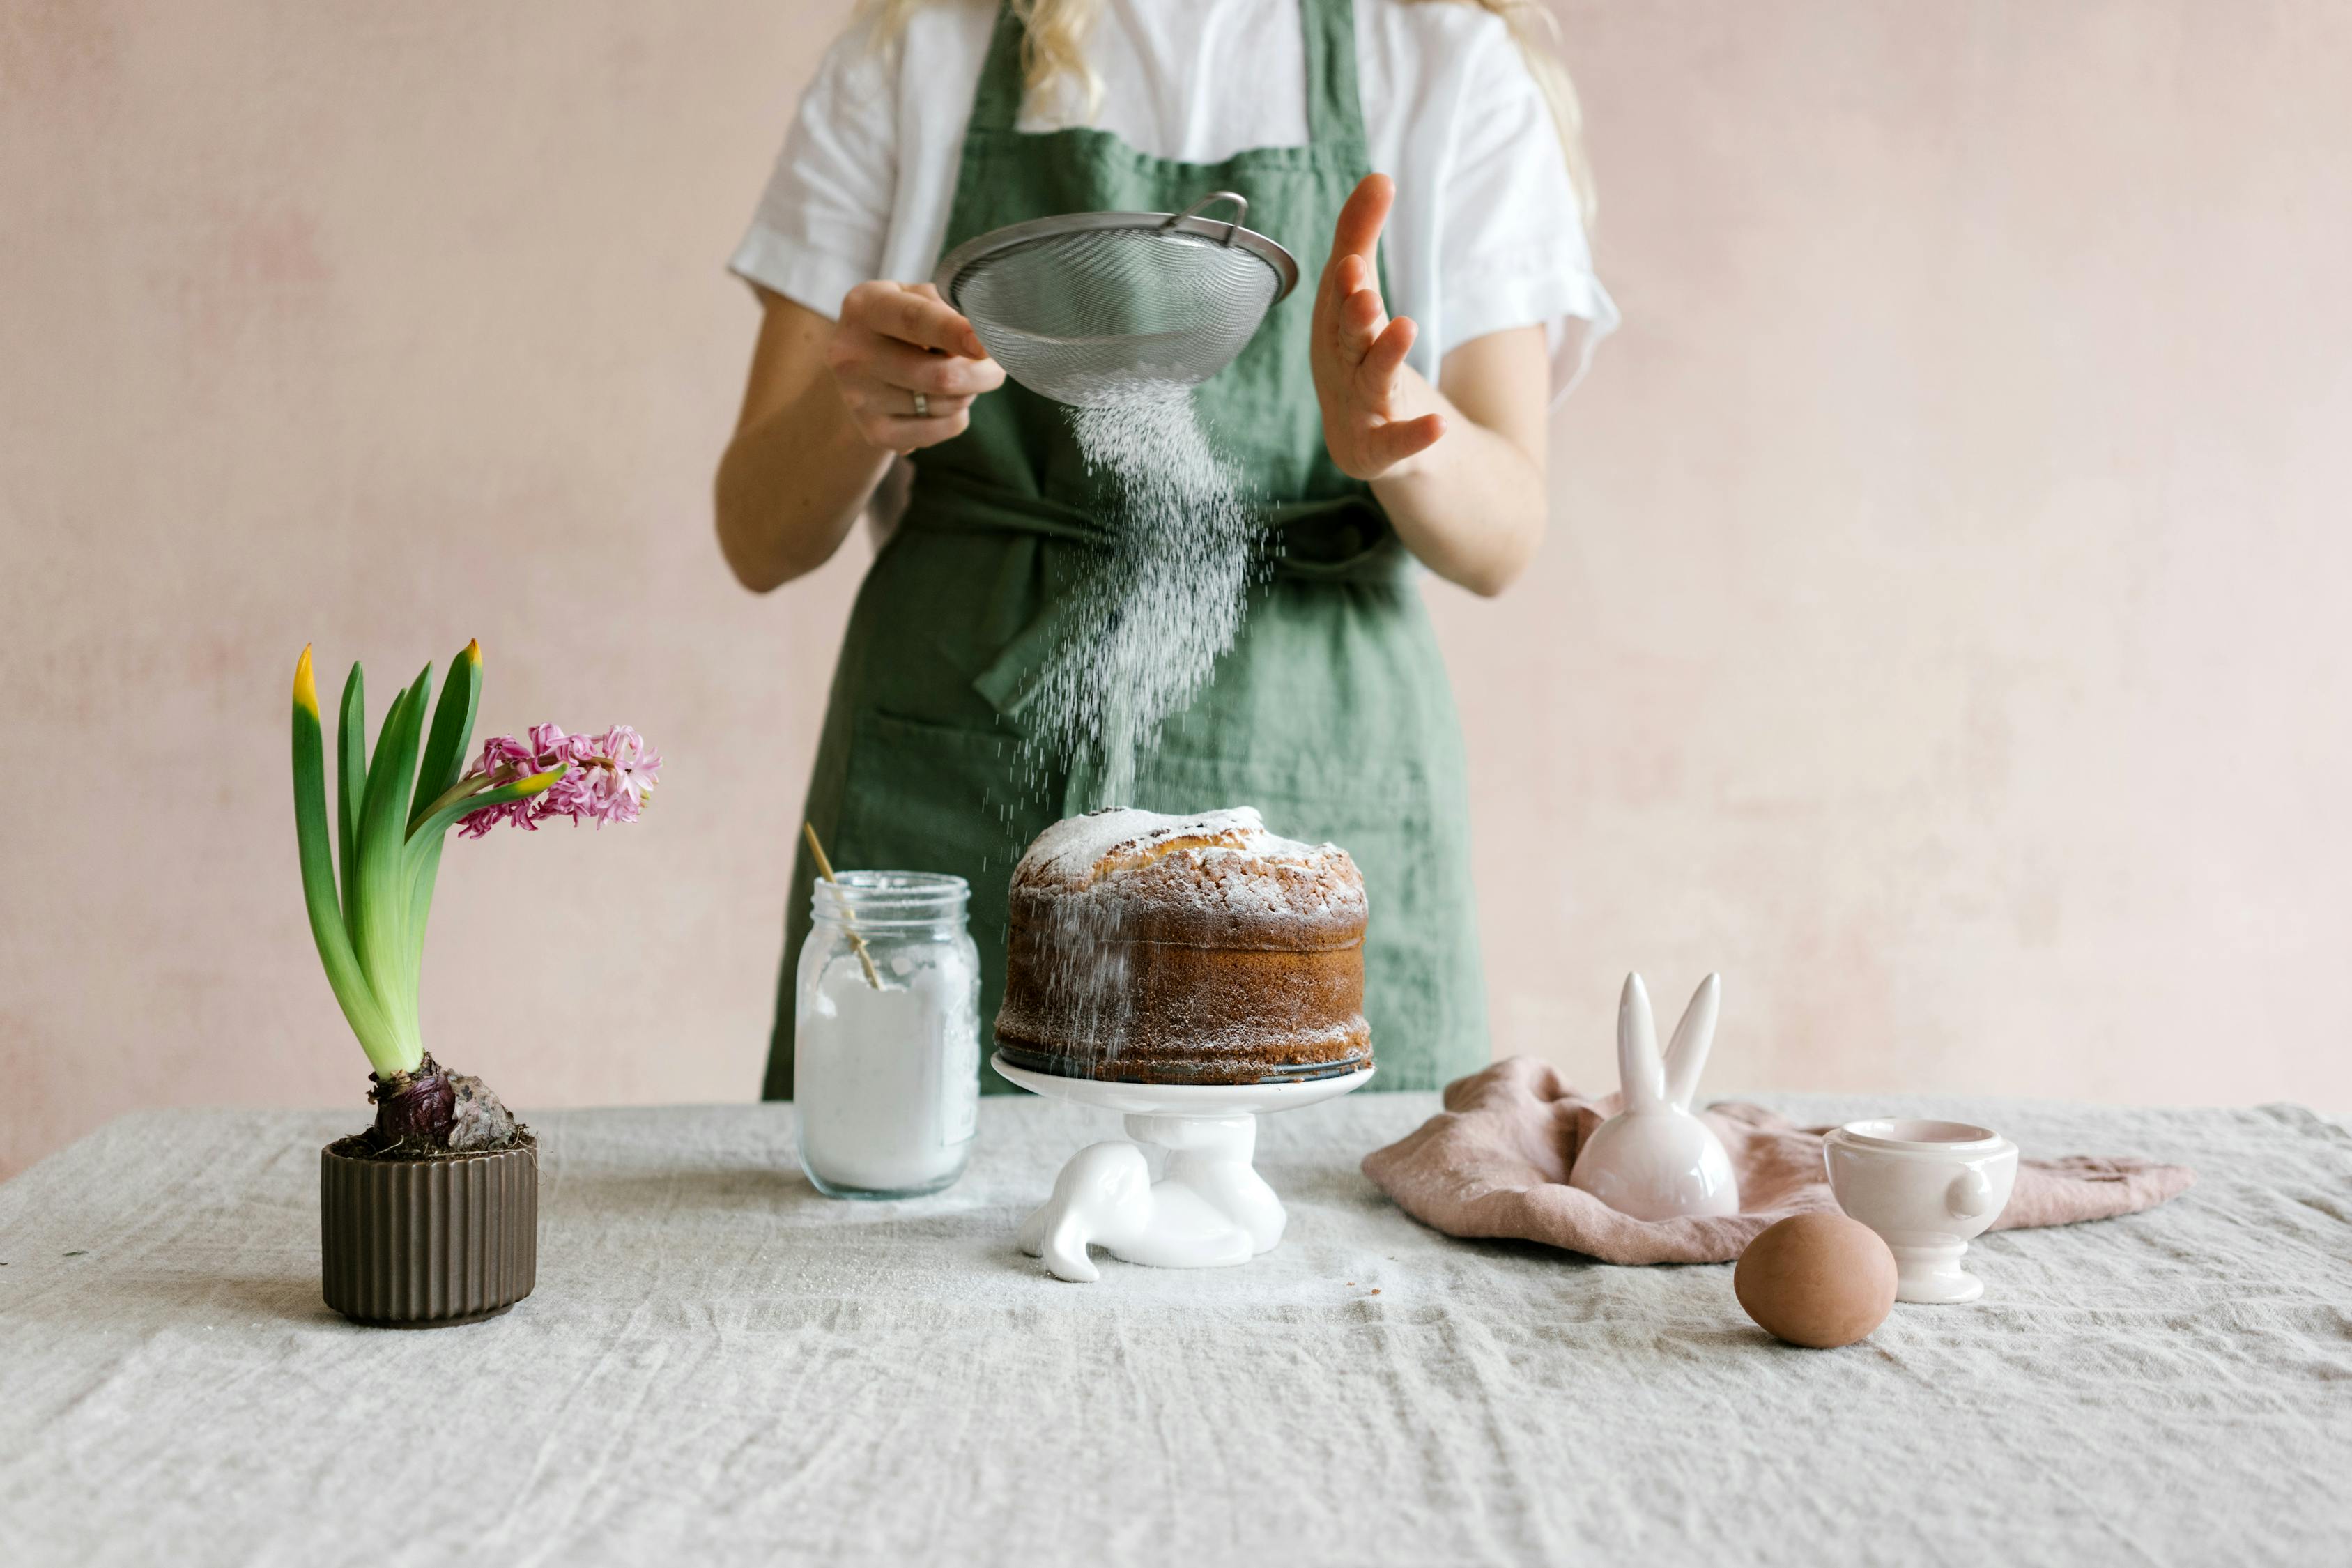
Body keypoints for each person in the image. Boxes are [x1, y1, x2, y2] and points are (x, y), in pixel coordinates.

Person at [716, 0, 1615, 1098]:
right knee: (917, 1231)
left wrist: (1395, 429)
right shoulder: (911, 57)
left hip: (1317, 744)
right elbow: (757, 534)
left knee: (1333, 1238)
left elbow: (1504, 533)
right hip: (959, 757)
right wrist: (854, 404)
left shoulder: (1434, 60)